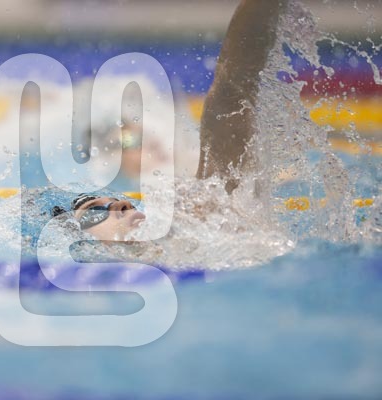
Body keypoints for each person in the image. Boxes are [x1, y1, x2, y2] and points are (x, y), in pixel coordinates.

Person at [56, 0, 290, 240]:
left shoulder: (188, 198)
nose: (149, 143)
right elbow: (229, 99)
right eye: (130, 142)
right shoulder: (176, 206)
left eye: (142, 136)